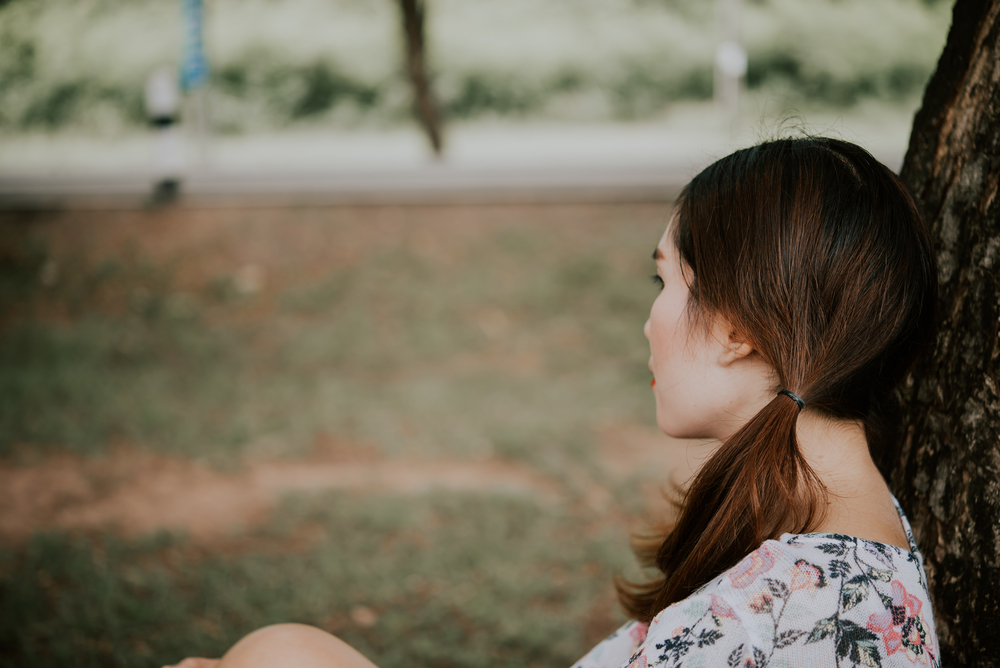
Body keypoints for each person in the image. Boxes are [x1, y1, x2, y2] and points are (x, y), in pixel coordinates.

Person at [165, 137, 941, 668]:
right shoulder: (841, 537)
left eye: (663, 282)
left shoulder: (796, 617)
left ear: (737, 328)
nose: (648, 321)